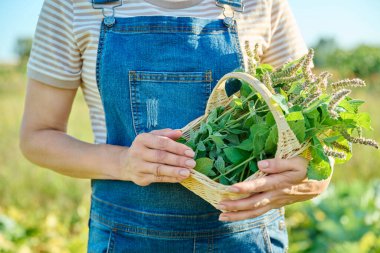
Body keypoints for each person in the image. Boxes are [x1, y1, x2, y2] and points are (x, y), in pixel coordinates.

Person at [20, 0, 331, 252]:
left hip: (244, 239)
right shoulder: (73, 5)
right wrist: (123, 163)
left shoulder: (262, 4)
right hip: (125, 237)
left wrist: (309, 179)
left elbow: (315, 126)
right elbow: (38, 135)